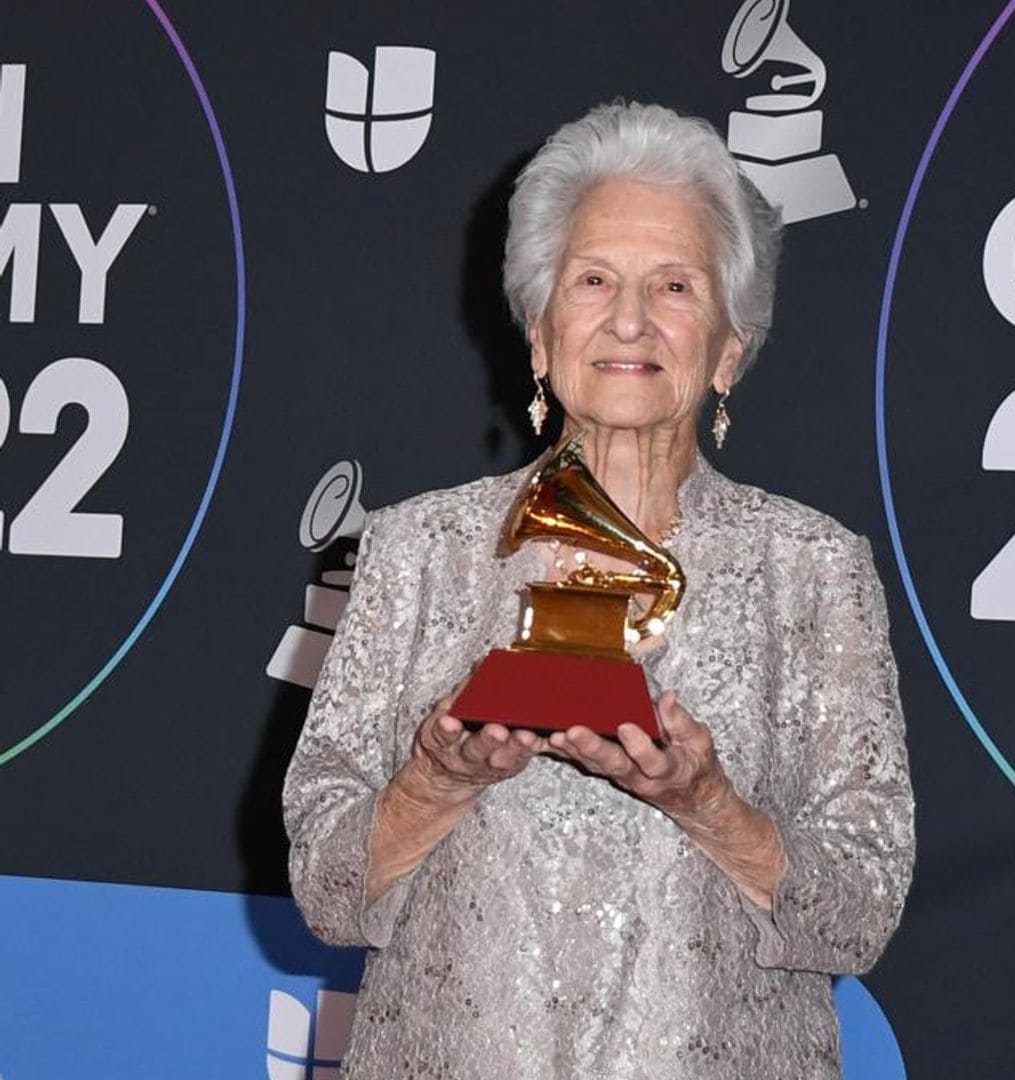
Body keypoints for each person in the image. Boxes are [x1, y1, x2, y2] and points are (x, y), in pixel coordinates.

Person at [283, 101, 914, 1079]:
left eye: (673, 285)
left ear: (728, 347)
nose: (629, 319)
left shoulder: (814, 570)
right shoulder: (416, 550)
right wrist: (433, 784)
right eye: (593, 280)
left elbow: (862, 913)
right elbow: (323, 890)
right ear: (540, 334)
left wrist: (709, 804)